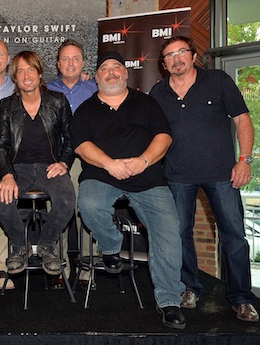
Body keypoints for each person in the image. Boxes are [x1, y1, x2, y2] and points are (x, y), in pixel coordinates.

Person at [70, 51, 186, 329]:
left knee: (168, 229)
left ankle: (169, 300)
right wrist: (110, 165)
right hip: (102, 174)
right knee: (89, 204)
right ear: (96, 78)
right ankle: (111, 246)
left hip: (147, 177)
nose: (111, 72)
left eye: (116, 68)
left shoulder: (146, 102)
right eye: (105, 69)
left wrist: (143, 160)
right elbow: (81, 145)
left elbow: (164, 136)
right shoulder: (86, 108)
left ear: (126, 74)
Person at [150, 36, 258, 322]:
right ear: (164, 64)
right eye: (170, 56)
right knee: (179, 234)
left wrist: (245, 160)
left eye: (181, 52)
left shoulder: (218, 80)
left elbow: (243, 120)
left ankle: (242, 298)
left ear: (194, 55)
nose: (176, 59)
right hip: (176, 176)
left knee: (234, 236)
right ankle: (189, 288)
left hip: (222, 173)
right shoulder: (157, 92)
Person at [0, 50, 75, 277]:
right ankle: (20, 245)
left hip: (51, 166)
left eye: (31, 69)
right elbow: (0, 144)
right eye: (21, 71)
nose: (27, 75)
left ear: (39, 74)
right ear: (15, 78)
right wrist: (7, 175)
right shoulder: (6, 106)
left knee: (67, 200)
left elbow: (71, 138)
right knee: (0, 202)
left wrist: (64, 163)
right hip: (19, 169)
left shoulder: (57, 101)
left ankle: (47, 245)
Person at [46, 39, 98, 290]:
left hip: (89, 159)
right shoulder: (45, 89)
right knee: (58, 209)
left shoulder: (95, 88)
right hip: (56, 160)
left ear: (83, 63)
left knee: (87, 210)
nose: (70, 63)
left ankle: (88, 268)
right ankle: (59, 267)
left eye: (75, 58)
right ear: (58, 64)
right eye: (65, 59)